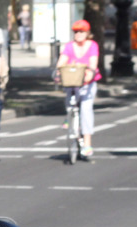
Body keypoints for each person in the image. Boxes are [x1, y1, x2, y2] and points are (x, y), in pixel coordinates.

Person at [56, 19, 100, 159]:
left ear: (87, 33)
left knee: (86, 110)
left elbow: (93, 62)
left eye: (81, 31)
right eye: (76, 31)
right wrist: (58, 72)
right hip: (72, 82)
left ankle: (87, 143)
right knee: (70, 105)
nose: (79, 34)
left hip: (88, 83)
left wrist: (90, 73)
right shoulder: (69, 46)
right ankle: (69, 118)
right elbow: (62, 61)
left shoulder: (92, 45)